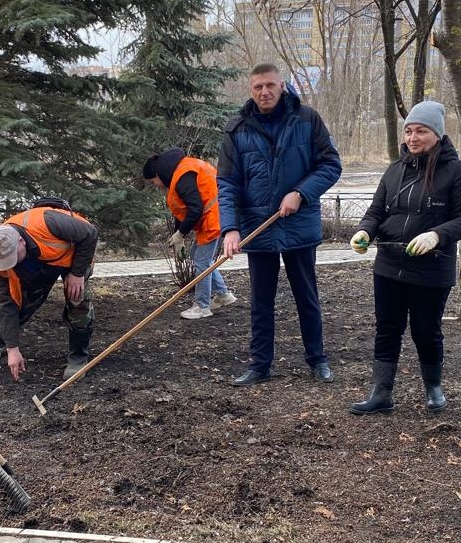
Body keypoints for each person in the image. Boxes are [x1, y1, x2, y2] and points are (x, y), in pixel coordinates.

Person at [347, 100, 461, 415]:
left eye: (421, 131)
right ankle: (381, 393)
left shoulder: (456, 171)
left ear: (437, 134)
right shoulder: (395, 170)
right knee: (387, 327)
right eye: (408, 131)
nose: (413, 137)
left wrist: (437, 235)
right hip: (389, 264)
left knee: (425, 329)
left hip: (431, 268)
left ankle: (433, 388)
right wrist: (365, 232)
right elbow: (376, 211)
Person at [217, 63, 342, 386]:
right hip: (258, 227)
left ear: (282, 85)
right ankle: (260, 364)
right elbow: (227, 184)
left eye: (270, 85)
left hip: (299, 225)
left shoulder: (306, 119)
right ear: (251, 89)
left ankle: (318, 360)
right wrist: (230, 228)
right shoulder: (237, 129)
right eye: (258, 87)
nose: (265, 92)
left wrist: (300, 193)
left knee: (306, 296)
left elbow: (330, 164)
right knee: (261, 301)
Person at [0, 201, 98, 382]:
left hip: (75, 258)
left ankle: (78, 357)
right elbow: (4, 302)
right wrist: (13, 349)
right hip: (39, 262)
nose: (12, 263)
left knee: (77, 298)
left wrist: (77, 274)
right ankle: (1, 340)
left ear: (20, 241)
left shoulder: (49, 222)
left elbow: (90, 234)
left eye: (14, 256)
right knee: (20, 299)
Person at [141, 148, 237, 319]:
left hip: (214, 218)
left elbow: (195, 209)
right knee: (198, 257)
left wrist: (181, 234)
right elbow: (184, 210)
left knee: (201, 261)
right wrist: (180, 234)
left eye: (153, 181)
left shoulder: (182, 176)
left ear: (158, 173)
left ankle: (202, 306)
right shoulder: (179, 172)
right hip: (214, 216)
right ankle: (223, 294)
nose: (155, 185)